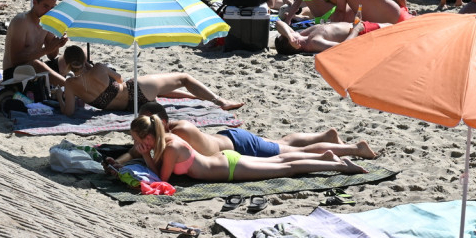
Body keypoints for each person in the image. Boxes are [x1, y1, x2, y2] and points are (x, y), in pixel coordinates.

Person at [105, 101, 377, 163]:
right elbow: (137, 150)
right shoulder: (167, 131)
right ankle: (325, 135)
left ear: (162, 121)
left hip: (240, 147)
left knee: (295, 152)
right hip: (232, 138)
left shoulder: (180, 132)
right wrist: (117, 163)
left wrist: (134, 157)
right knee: (282, 143)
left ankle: (355, 148)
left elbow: (152, 155)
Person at [126, 114, 366, 183]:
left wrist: (145, 156)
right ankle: (328, 157)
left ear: (149, 136)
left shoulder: (170, 149)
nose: (139, 146)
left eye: (139, 140)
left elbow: (161, 178)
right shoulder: (167, 140)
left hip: (230, 166)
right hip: (227, 158)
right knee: (285, 158)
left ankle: (339, 164)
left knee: (288, 166)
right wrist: (139, 154)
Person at [55, 45, 243, 115]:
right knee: (183, 78)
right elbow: (120, 80)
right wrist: (105, 74)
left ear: (69, 64)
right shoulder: (99, 68)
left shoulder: (70, 85)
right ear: (84, 58)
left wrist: (59, 97)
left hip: (130, 108)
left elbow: (69, 112)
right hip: (136, 93)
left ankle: (196, 97)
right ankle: (220, 101)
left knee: (163, 88)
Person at [2, 0, 67, 84]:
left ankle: (86, 87)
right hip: (13, 74)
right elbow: (15, 60)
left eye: (52, 8)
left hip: (34, 70)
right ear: (35, 2)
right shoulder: (21, 21)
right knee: (36, 64)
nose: (49, 11)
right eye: (45, 6)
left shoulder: (47, 22)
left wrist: (56, 44)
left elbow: (52, 56)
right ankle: (71, 87)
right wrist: (46, 50)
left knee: (73, 54)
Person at [273, 17, 392, 54]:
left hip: (361, 25)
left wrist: (289, 36)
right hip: (364, 31)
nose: (291, 32)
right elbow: (343, 48)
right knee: (395, 27)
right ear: (295, 45)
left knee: (393, 24)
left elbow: (279, 23)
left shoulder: (303, 35)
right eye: (286, 36)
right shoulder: (314, 42)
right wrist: (355, 30)